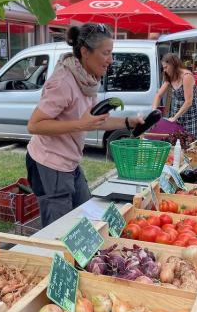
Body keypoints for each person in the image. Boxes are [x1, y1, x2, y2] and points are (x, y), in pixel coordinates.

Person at [26, 23, 143, 226]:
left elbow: (96, 120)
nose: (110, 60)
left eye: (111, 53)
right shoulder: (63, 81)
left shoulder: (87, 80)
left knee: (89, 217)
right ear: (85, 52)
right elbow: (34, 125)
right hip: (49, 163)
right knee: (59, 229)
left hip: (70, 162)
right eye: (106, 53)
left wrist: (127, 122)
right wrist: (80, 125)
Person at [152, 53, 197, 138]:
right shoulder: (170, 77)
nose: (164, 70)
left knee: (189, 138)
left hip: (189, 112)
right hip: (176, 110)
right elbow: (158, 95)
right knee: (175, 137)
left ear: (172, 64)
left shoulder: (186, 76)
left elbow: (188, 102)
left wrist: (175, 117)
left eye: (166, 67)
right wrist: (153, 113)